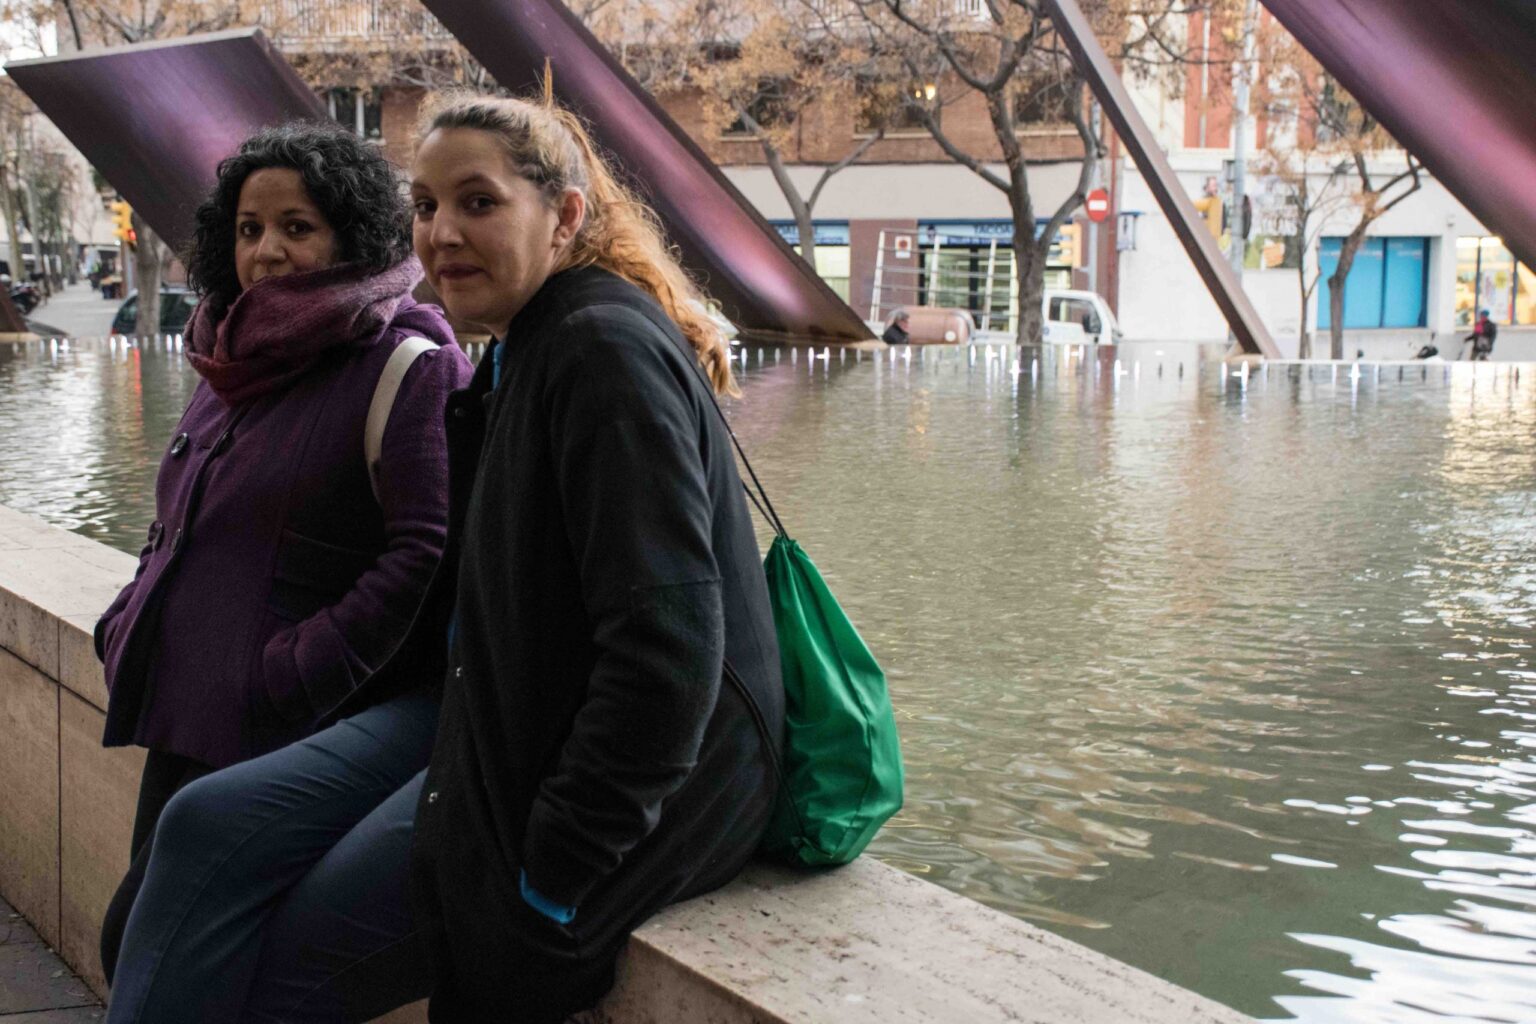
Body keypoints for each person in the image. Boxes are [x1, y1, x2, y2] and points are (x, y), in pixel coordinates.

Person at [104, 92, 783, 1024]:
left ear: (567, 215)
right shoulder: (521, 348)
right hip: (493, 708)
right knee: (200, 829)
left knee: (276, 966)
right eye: (425, 207)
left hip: (620, 787)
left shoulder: (598, 350)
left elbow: (668, 657)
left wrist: (552, 872)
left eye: (478, 202)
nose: (443, 234)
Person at [93, 121, 472, 985]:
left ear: (351, 232)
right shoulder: (235, 355)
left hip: (289, 724)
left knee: (173, 956)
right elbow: (181, 522)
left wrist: (291, 670)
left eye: (298, 228)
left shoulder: (408, 363)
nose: (267, 252)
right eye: (250, 229)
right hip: (186, 705)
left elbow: (425, 552)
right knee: (142, 947)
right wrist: (125, 620)